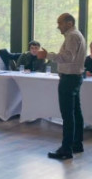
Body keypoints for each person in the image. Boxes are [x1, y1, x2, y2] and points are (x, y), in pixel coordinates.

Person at [37, 13, 87, 160]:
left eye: (60, 23)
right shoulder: (78, 35)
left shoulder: (72, 36)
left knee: (67, 115)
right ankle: (77, 144)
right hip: (75, 77)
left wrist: (48, 55)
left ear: (69, 23)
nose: (58, 26)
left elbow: (68, 57)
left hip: (69, 79)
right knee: (76, 112)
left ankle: (66, 149)